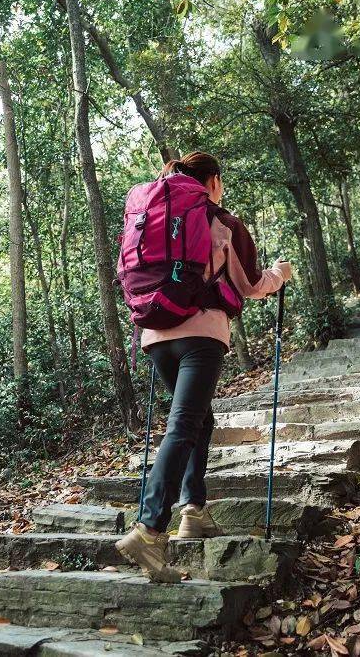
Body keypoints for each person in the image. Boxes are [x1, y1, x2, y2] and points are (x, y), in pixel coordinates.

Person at [115, 151, 292, 583]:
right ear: (212, 179)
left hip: (156, 336)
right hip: (201, 335)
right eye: (221, 180)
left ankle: (194, 509)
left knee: (199, 420)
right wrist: (280, 273)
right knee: (183, 423)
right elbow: (250, 284)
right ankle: (150, 529)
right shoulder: (221, 221)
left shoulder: (153, 213)